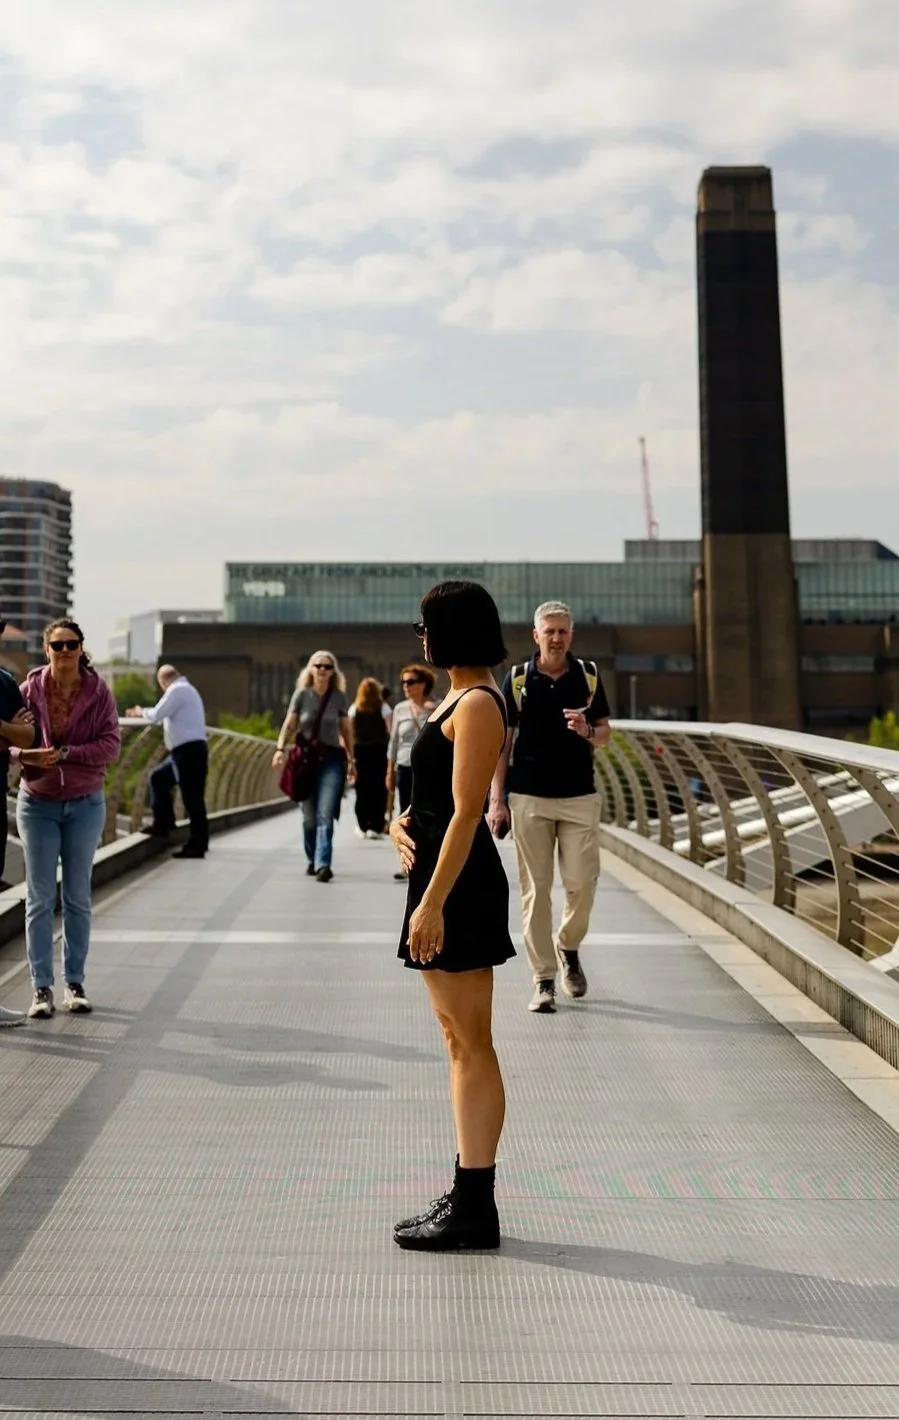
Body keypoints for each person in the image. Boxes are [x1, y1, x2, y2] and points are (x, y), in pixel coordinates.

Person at [390, 581, 513, 1251]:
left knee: (470, 1044)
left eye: (425, 627)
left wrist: (432, 904)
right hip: (436, 876)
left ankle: (475, 1206)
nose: (422, 639)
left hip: (455, 886)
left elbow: (468, 812)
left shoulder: (479, 705)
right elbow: (433, 800)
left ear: (448, 631)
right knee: (455, 1040)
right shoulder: (457, 700)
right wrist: (397, 824)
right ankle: (466, 1188)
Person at [488, 600, 611, 1015]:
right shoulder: (518, 680)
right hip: (529, 796)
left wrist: (587, 729)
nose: (556, 638)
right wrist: (496, 801)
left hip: (579, 795)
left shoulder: (588, 677)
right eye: (549, 631)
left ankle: (568, 947)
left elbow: (606, 734)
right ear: (535, 635)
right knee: (535, 891)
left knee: (582, 884)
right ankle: (543, 980)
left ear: (571, 635)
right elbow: (502, 744)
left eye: (562, 631)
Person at [13, 618, 121, 1019]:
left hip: (84, 802)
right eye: (57, 645)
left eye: (71, 644)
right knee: (39, 898)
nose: (64, 652)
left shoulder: (98, 692)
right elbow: (8, 742)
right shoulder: (27, 691)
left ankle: (74, 982)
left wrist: (69, 754)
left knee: (77, 897)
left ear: (81, 648)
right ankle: (42, 989)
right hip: (37, 802)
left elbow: (111, 745)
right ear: (46, 650)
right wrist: (25, 756)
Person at [273, 651, 354, 882]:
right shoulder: (301, 695)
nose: (322, 670)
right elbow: (290, 724)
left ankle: (323, 864)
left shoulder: (338, 697)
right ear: (310, 669)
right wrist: (280, 749)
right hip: (306, 762)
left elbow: (346, 730)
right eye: (318, 665)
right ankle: (313, 857)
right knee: (309, 818)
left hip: (331, 760)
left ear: (333, 672)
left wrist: (351, 760)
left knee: (325, 814)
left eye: (327, 667)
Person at [127, 665, 209, 859]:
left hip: (188, 752)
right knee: (158, 778)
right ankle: (163, 823)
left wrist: (140, 711)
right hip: (184, 751)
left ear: (163, 681)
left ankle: (198, 845)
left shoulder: (177, 690)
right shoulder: (187, 689)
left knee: (192, 799)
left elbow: (157, 715)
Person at [386, 662, 438, 880]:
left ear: (424, 684)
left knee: (427, 816)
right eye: (403, 682)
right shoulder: (400, 709)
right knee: (405, 816)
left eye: (411, 682)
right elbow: (394, 742)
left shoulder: (438, 707)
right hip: (405, 768)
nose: (406, 686)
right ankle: (407, 863)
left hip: (429, 771)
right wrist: (390, 771)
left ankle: (429, 859)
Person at [348, 676, 389, 838]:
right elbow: (390, 730)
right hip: (379, 752)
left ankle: (362, 825)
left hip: (360, 753)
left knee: (361, 790)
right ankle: (376, 825)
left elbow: (350, 732)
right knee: (379, 789)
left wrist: (350, 755)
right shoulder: (383, 707)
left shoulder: (354, 708)